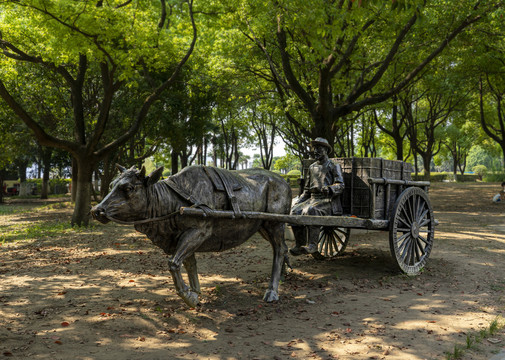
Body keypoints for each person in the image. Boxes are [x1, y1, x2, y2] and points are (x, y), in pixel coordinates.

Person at [290, 137, 344, 255]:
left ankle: (313, 245)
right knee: (294, 211)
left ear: (325, 150)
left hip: (328, 201)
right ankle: (300, 244)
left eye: (318, 149)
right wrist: (298, 202)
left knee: (312, 210)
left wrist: (329, 189)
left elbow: (340, 185)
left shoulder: (334, 166)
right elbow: (307, 190)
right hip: (313, 199)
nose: (315, 151)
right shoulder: (312, 167)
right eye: (314, 149)